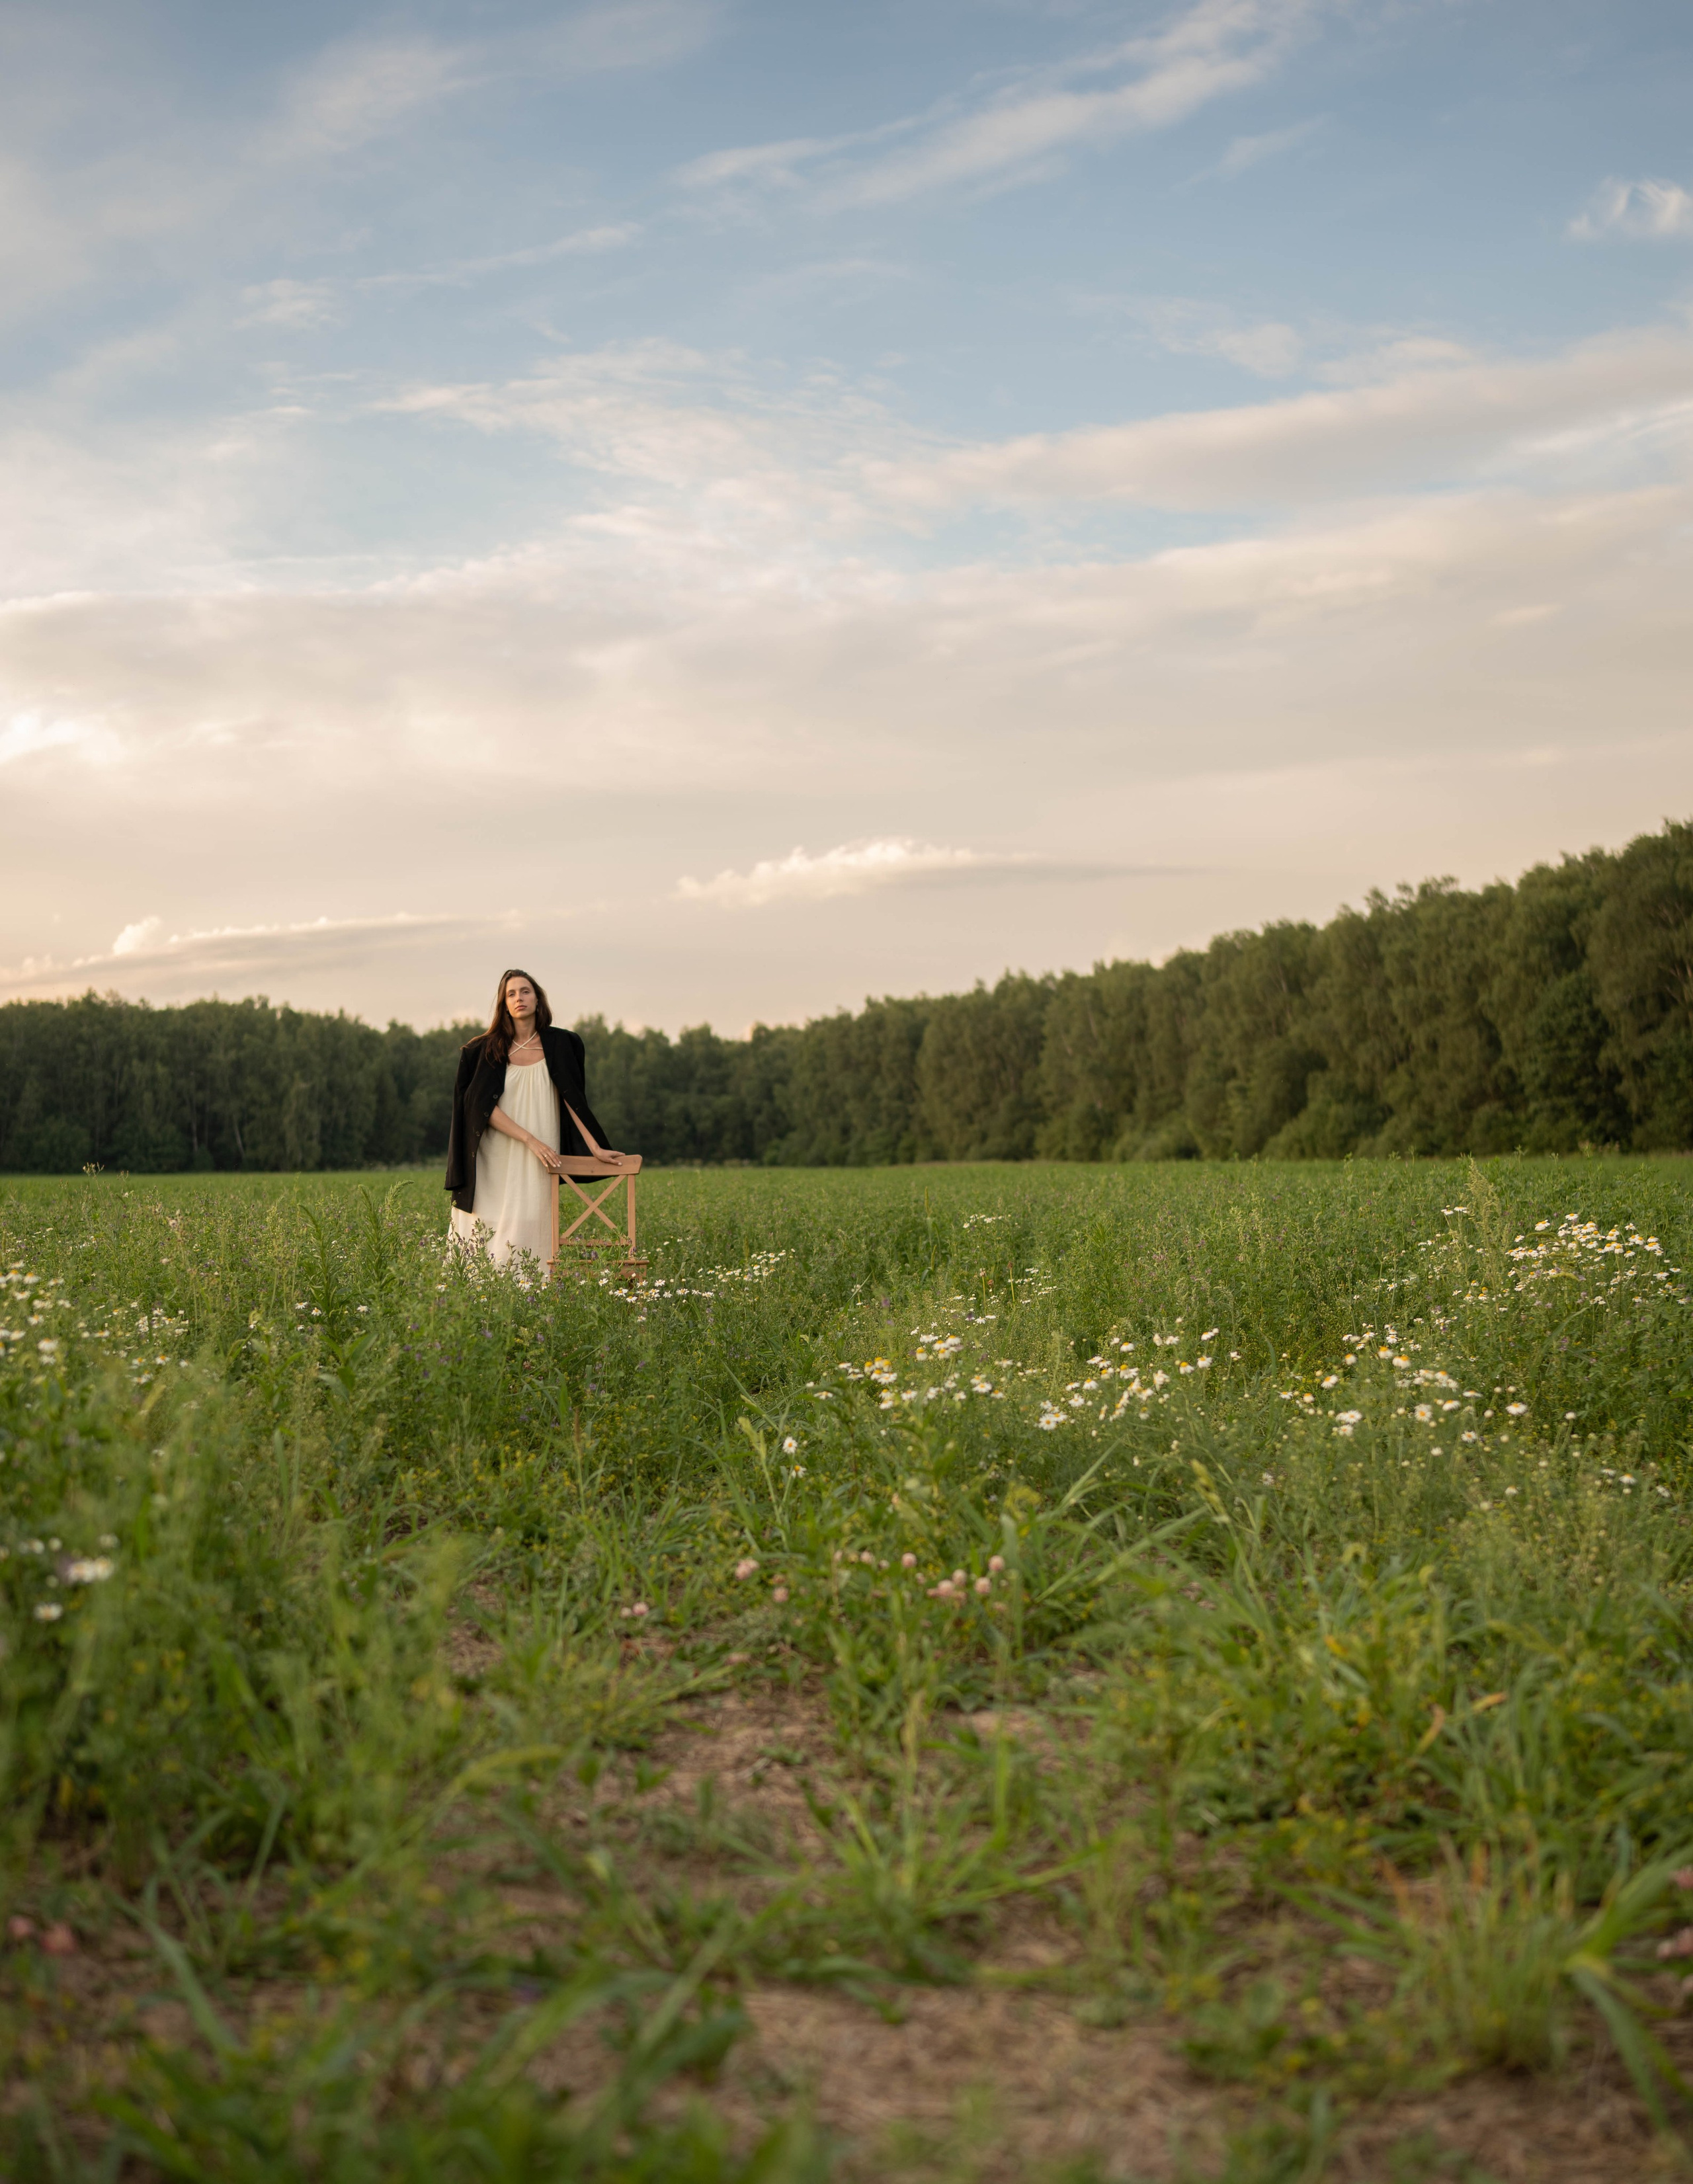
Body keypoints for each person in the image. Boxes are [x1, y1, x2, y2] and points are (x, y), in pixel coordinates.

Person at [445, 968, 627, 1270]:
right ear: (504, 1004)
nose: (519, 998)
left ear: (538, 999)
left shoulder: (563, 1044)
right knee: (487, 1220)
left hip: (545, 1152)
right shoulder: (485, 1049)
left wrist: (595, 1147)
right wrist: (530, 1140)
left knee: (534, 1218)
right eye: (511, 994)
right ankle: (484, 1297)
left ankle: (535, 1292)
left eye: (525, 991)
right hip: (498, 1152)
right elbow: (480, 1108)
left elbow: (573, 1101)